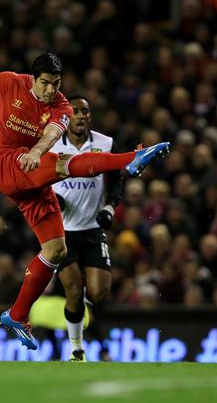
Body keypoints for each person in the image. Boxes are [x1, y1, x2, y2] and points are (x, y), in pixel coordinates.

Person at [0, 53, 170, 350]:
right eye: (46, 83)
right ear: (34, 78)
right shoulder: (11, 82)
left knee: (56, 250)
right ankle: (130, 159)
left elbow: (52, 133)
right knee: (66, 163)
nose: (51, 90)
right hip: (7, 163)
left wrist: (37, 151)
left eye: (56, 83)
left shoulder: (62, 105)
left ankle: (16, 314)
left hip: (31, 170)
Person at [51, 94, 122, 361]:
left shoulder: (105, 144)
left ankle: (84, 314)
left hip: (92, 229)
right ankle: (77, 349)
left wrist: (110, 207)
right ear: (67, 116)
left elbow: (116, 180)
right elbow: (37, 179)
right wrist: (51, 201)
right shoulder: (51, 144)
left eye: (85, 112)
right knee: (73, 289)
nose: (81, 116)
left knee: (99, 293)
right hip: (61, 232)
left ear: (90, 116)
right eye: (75, 112)